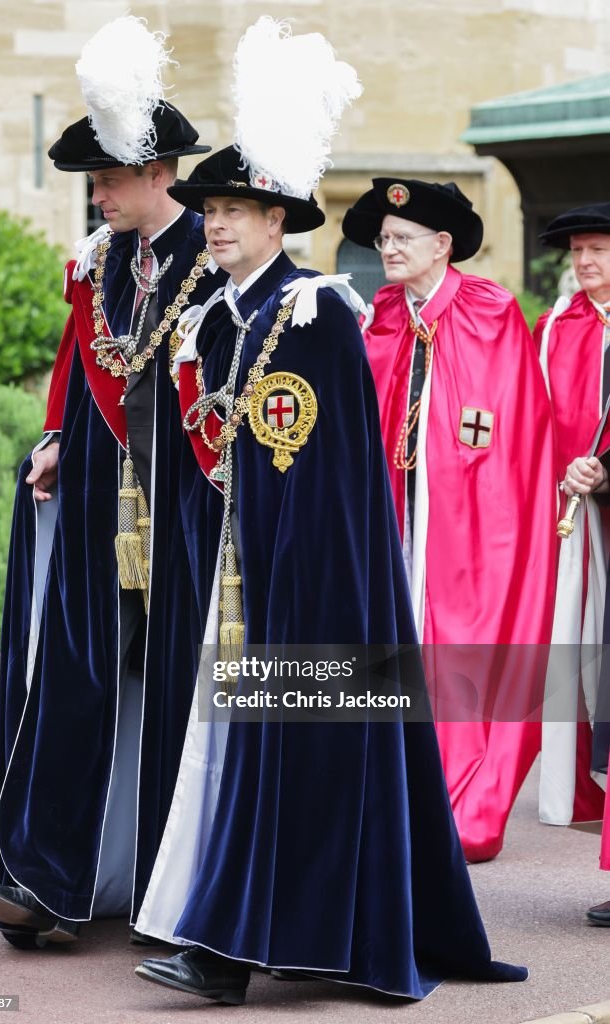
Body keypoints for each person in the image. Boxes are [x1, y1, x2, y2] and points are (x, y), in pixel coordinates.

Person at [131, 18, 527, 1006]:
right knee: (230, 763)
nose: (215, 224)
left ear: (278, 221)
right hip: (234, 575)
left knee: (291, 767)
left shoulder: (313, 313)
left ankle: (229, 952)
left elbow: (329, 473)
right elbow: (220, 456)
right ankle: (222, 939)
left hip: (311, 586)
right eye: (209, 208)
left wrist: (303, 582)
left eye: (235, 208)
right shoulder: (216, 317)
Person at [0, 17, 223, 949]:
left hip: (189, 512)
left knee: (170, 694)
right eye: (94, 181)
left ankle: (172, 894)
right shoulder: (99, 262)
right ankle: (44, 881)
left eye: (112, 178)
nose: (100, 194)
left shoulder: (216, 249)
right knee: (73, 680)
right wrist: (55, 440)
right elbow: (82, 371)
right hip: (95, 512)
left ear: (161, 174)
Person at [341, 179, 558, 862]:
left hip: (471, 524)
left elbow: (517, 430)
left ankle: (462, 796)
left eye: (402, 239)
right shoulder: (379, 316)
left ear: (441, 246)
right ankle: (390, 791)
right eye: (382, 240)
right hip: (395, 514)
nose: (387, 250)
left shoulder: (490, 312)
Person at [537, 204, 610, 924]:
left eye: (599, 248)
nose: (585, 260)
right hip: (572, 524)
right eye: (578, 250)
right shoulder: (557, 327)